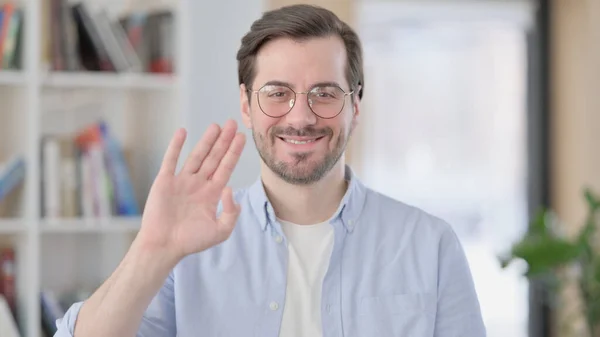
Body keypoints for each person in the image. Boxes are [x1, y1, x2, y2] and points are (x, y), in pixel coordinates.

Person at [55, 4, 485, 337]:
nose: (301, 116)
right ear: (246, 104)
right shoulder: (187, 249)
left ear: (355, 105)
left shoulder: (430, 245)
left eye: (325, 93)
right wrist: (152, 249)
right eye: (277, 93)